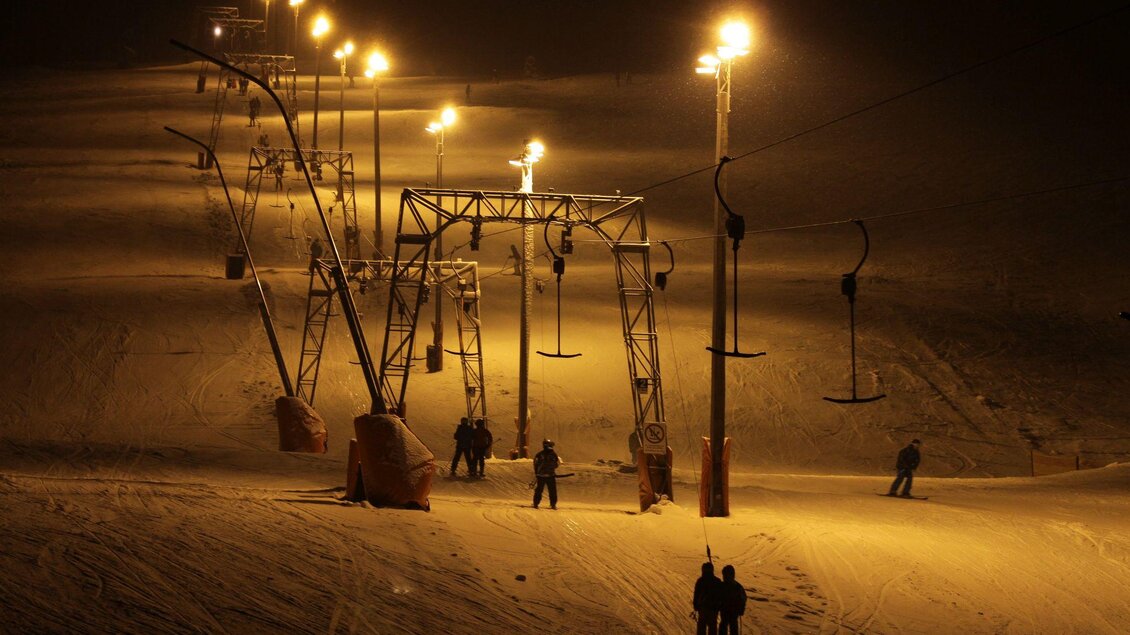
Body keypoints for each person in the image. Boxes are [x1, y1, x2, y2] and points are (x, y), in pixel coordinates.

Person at [693, 561, 722, 635]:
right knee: (712, 628)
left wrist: (696, 606)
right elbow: (720, 596)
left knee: (702, 629)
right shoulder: (717, 581)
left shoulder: (700, 581)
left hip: (703, 608)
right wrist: (719, 606)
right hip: (713, 609)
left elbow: (696, 594)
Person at [718, 564, 747, 635]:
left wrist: (741, 609)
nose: (724, 577)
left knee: (729, 626)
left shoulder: (736, 586)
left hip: (732, 611)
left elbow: (743, 598)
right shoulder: (736, 586)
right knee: (726, 626)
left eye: (725, 575)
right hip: (726, 611)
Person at [532, 438, 560, 509]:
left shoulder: (540, 454)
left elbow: (535, 464)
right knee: (549, 491)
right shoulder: (552, 454)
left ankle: (537, 503)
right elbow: (557, 464)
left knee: (541, 490)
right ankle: (551, 504)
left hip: (544, 475)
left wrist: (537, 473)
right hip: (548, 476)